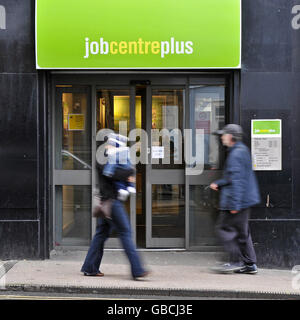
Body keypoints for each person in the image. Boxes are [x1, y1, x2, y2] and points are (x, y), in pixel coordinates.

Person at [81, 135, 148, 280]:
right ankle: (137, 269)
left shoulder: (111, 158)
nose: (110, 146)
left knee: (101, 234)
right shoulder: (103, 159)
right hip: (111, 203)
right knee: (125, 232)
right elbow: (115, 174)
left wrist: (128, 173)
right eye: (110, 144)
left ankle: (90, 267)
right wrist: (130, 173)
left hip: (106, 203)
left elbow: (120, 172)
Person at [210, 124, 260, 274]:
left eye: (224, 135)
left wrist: (234, 205)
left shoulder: (236, 154)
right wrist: (218, 183)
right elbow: (233, 177)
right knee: (242, 233)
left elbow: (238, 181)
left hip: (238, 202)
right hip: (245, 201)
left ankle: (235, 261)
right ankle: (250, 265)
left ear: (231, 137)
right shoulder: (241, 150)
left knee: (224, 229)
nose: (222, 137)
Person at [103, 133, 136, 201]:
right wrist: (131, 169)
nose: (107, 146)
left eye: (109, 145)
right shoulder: (125, 151)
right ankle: (131, 187)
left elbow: (111, 164)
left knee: (118, 181)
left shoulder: (113, 153)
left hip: (120, 171)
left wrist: (107, 172)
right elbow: (129, 162)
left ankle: (122, 189)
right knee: (126, 178)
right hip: (128, 169)